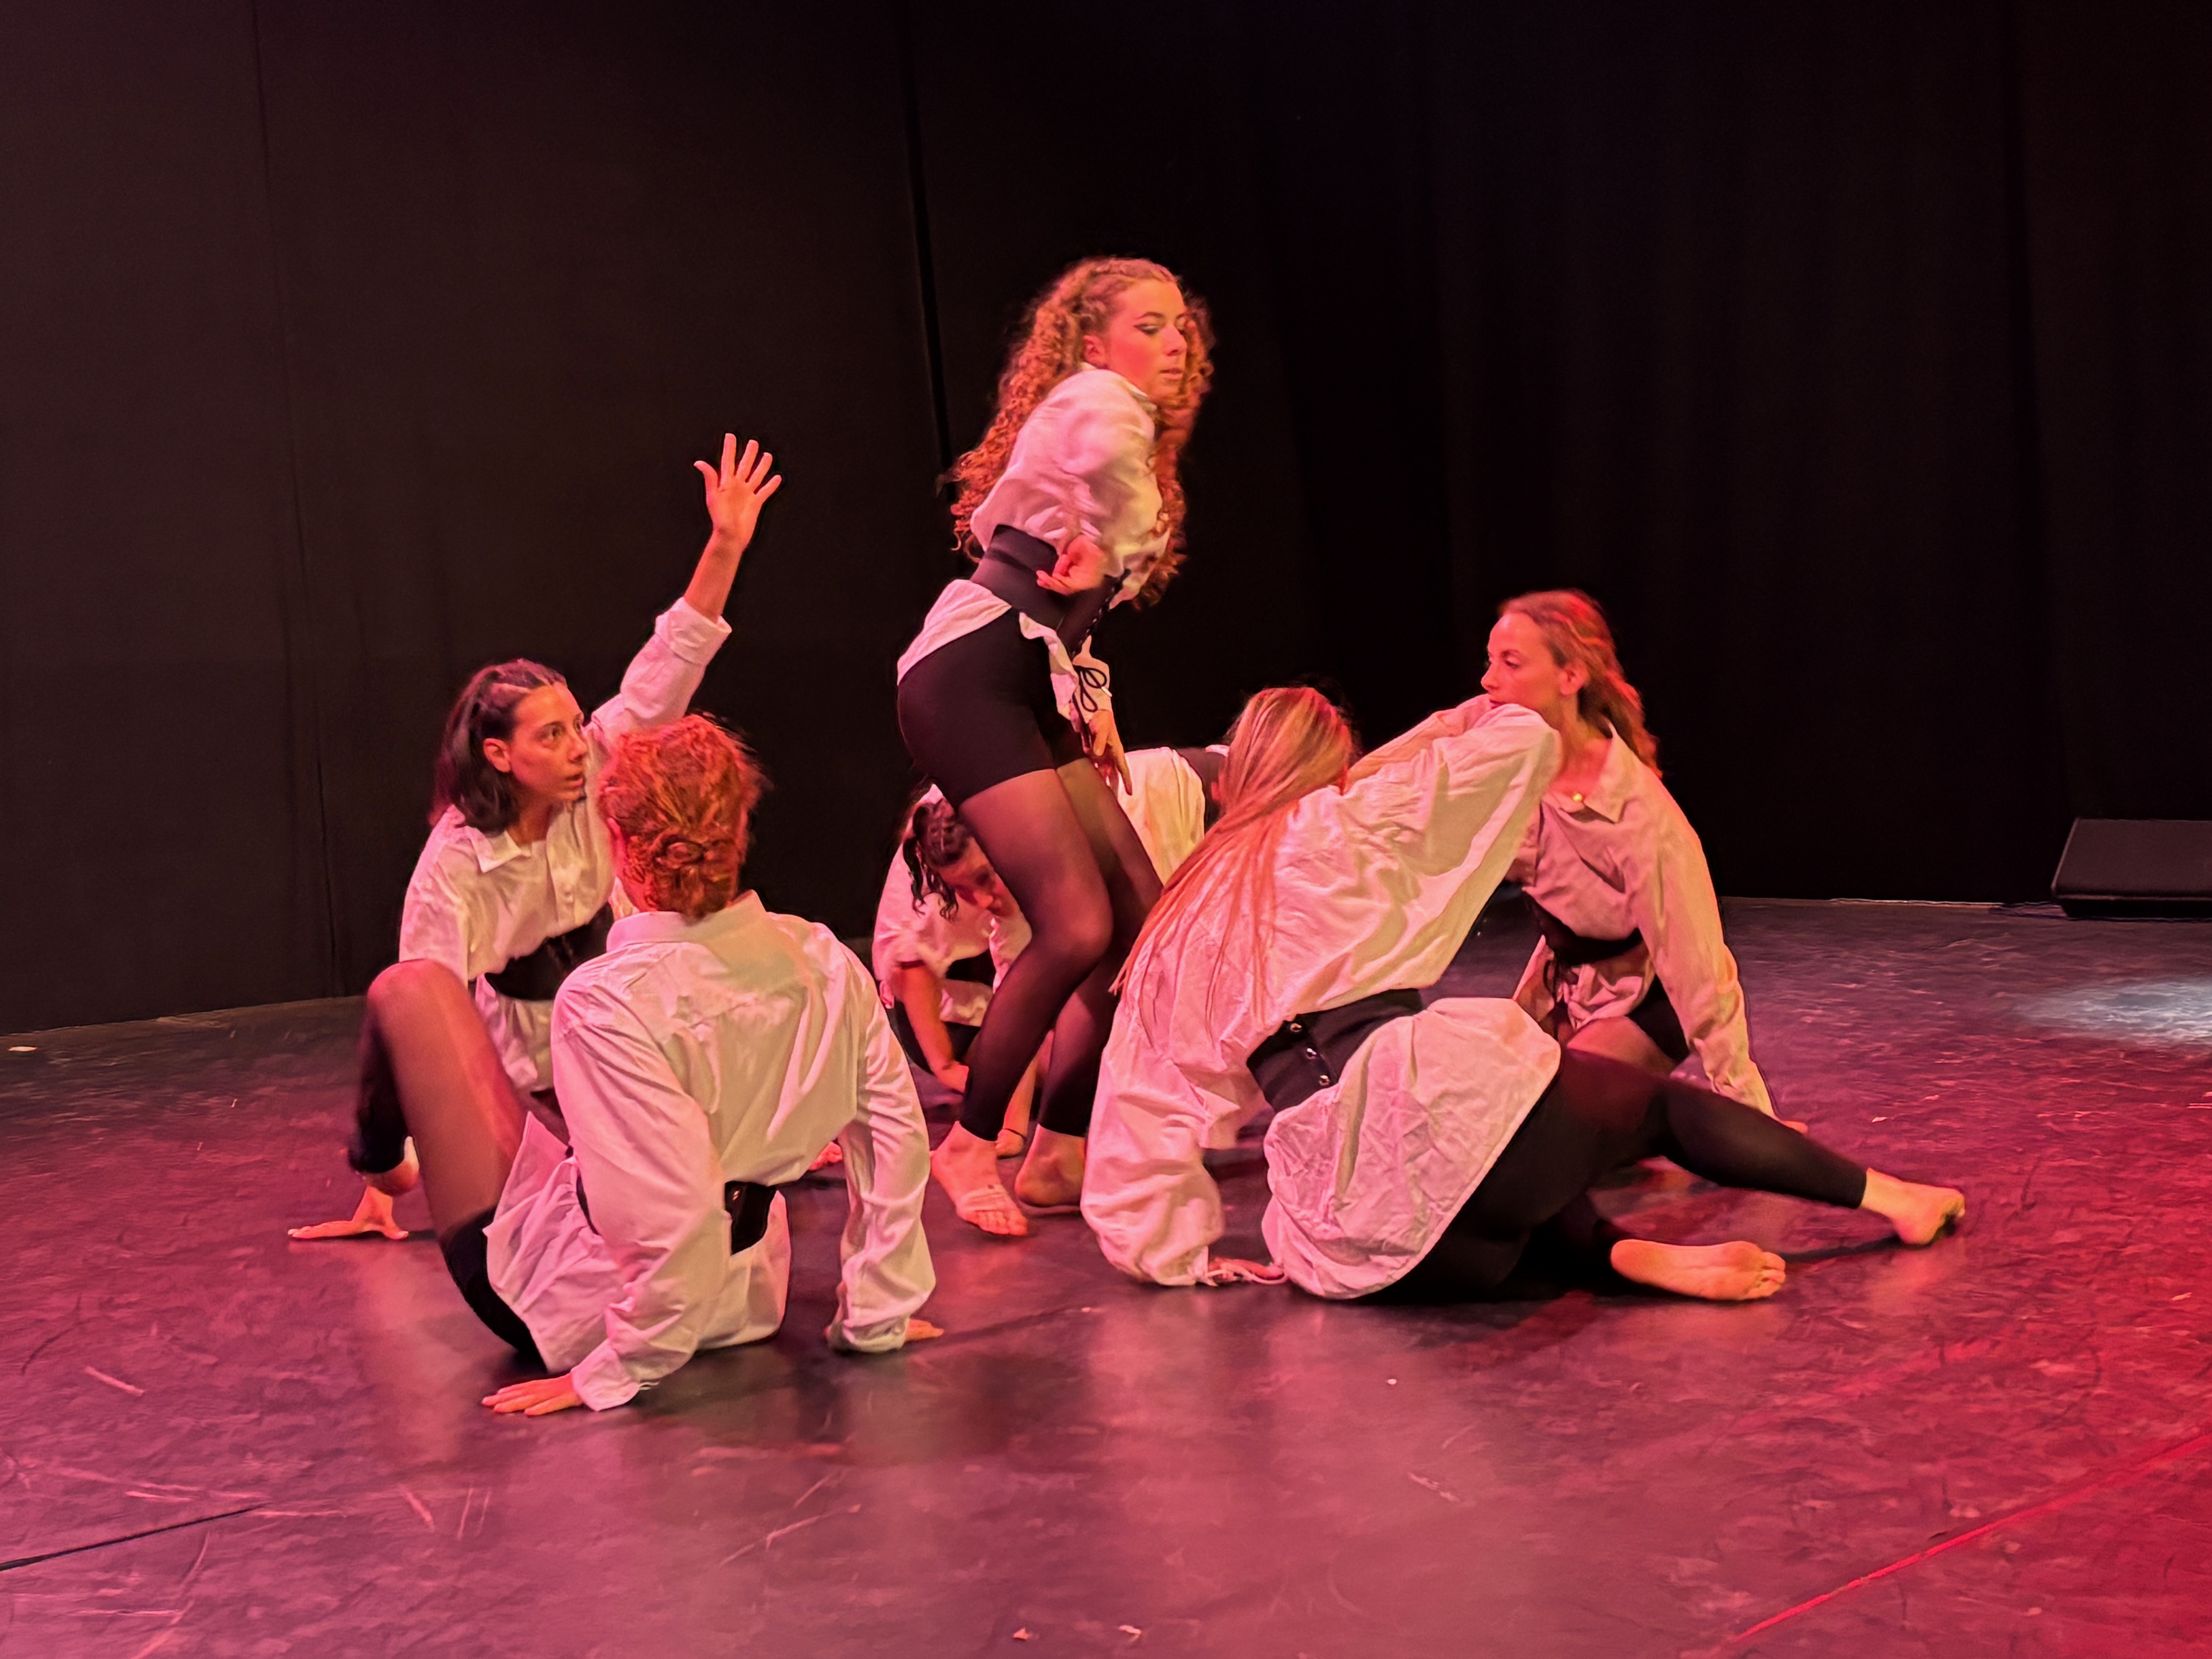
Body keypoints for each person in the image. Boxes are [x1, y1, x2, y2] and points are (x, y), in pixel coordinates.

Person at [1084, 686, 1965, 1302]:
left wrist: (1169, 1254)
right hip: (1427, 1116)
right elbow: (1525, 741)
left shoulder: (1180, 915)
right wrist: (1427, 736)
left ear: (1230, 777)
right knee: (1623, 1111)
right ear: (1336, 769)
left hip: (1366, 1246)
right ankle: (1894, 1199)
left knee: (1476, 1153)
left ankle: (1618, 1256)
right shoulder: (1349, 821)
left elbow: (1139, 1103)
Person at [342, 716, 939, 1416]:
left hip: (595, 1309)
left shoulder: (606, 998)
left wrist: (622, 1365)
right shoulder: (825, 961)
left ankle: (382, 1167)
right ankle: (384, 1167)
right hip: (748, 1303)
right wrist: (878, 1312)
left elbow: (673, 1211)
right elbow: (894, 1140)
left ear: (619, 843)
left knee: (410, 988)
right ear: (740, 829)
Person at [290, 434, 779, 1243]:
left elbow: (673, 658)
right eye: (550, 736)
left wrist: (725, 542)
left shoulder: (597, 761)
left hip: (610, 983)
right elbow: (418, 1016)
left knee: (689, 1137)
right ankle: (379, 1169)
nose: (577, 747)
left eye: (573, 725)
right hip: (524, 1027)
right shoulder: (456, 869)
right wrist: (388, 1162)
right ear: (498, 755)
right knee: (571, 1182)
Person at [895, 257, 1214, 1237]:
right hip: (969, 676)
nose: (1175, 345)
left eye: (1180, 327)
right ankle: (969, 1143)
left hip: (1026, 677)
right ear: (1093, 344)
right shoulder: (1100, 402)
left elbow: (1078, 602)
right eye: (1150, 327)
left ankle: (1059, 1151)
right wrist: (1116, 549)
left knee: (1137, 928)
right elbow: (1110, 489)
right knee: (1074, 925)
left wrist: (1090, 696)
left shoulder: (1114, 425)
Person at [1483, 590, 1778, 1115]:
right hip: (1569, 988)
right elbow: (1436, 742)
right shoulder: (1513, 766)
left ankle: (1671, 1123)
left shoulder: (1641, 818)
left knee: (1552, 1116)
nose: (1489, 680)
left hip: (1647, 1002)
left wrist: (1752, 1118)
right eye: (1490, 661)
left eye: (1512, 663)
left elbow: (1701, 973)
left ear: (1570, 677)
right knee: (1479, 1106)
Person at [872, 790, 1038, 1156]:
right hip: (940, 1016)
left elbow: (1021, 995)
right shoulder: (927, 893)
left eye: (984, 878)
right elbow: (913, 965)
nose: (982, 899)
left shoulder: (1022, 832)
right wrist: (945, 1066)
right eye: (963, 888)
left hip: (995, 988)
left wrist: (1013, 1126)